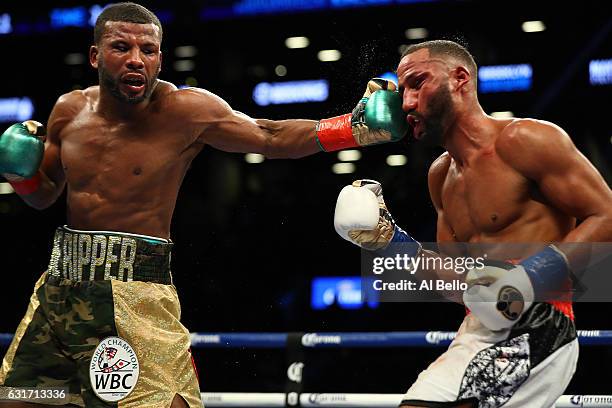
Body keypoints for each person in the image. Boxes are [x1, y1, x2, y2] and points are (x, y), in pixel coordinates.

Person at [0, 3, 409, 408]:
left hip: (135, 291)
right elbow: (44, 196)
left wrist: (352, 129)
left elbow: (268, 135)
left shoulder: (186, 111)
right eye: (121, 47)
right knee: (23, 400)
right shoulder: (68, 111)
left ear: (161, 57)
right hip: (58, 290)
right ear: (95, 56)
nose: (136, 60)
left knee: (163, 402)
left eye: (149, 50)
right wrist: (22, 174)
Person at [333, 40, 612, 407]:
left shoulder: (526, 140)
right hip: (478, 330)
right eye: (402, 92)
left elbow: (606, 215)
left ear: (460, 79)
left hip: (540, 323)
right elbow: (460, 284)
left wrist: (527, 278)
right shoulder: (440, 176)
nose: (406, 103)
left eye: (417, 83)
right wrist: (391, 243)